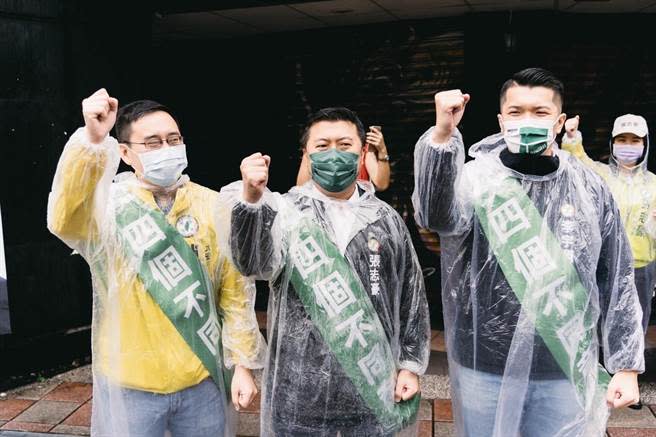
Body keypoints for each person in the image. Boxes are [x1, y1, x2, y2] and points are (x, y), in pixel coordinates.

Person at [412, 68, 644, 437]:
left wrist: (626, 365)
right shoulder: (478, 180)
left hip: (563, 364)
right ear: (502, 121)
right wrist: (442, 134)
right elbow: (434, 214)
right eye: (516, 113)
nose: (527, 121)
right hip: (483, 365)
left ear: (560, 121)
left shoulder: (589, 187)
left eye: (540, 112)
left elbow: (617, 275)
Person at [47, 88, 266, 437]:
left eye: (173, 139)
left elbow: (234, 293)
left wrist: (242, 365)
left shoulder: (212, 206)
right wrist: (91, 139)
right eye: (152, 143)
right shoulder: (108, 209)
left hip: (202, 377)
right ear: (125, 152)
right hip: (130, 382)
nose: (167, 149)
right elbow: (63, 218)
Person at [222, 107, 430, 436]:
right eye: (322, 146)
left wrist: (410, 365)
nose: (334, 154)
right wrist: (250, 200)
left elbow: (410, 296)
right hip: (298, 391)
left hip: (371, 386)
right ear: (306, 154)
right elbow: (251, 265)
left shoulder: (385, 219)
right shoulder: (285, 213)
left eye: (344, 145)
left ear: (362, 152)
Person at [296, 125, 391, 191]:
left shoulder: (363, 152)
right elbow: (301, 188)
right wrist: (307, 154)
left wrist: (382, 150)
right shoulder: (315, 154)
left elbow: (381, 184)